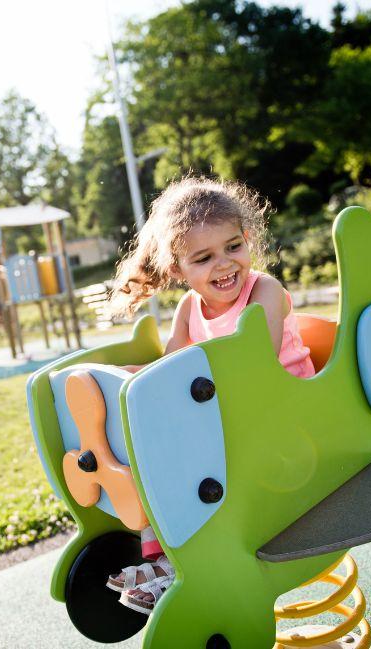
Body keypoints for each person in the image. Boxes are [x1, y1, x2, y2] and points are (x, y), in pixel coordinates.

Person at [102, 176, 316, 614]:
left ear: (248, 238)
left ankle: (180, 561)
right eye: (204, 257)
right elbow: (170, 369)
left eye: (233, 247)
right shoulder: (188, 309)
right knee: (153, 447)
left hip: (284, 414)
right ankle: (163, 559)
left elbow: (255, 366)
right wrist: (133, 377)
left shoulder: (265, 292)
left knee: (181, 455)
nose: (224, 265)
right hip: (230, 413)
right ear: (178, 269)